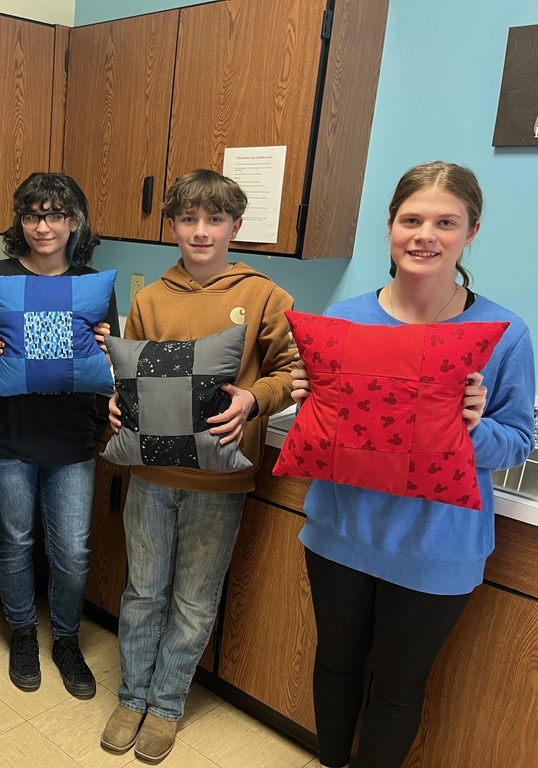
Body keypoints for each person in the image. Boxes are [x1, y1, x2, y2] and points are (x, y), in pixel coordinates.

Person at [291, 161, 535, 768]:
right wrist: (309, 405)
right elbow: (328, 436)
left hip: (436, 549)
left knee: (398, 691)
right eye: (412, 219)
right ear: (390, 227)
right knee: (336, 662)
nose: (426, 234)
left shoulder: (502, 333)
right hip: (339, 534)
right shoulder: (344, 319)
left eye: (445, 222)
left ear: (471, 233)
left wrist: (464, 431)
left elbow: (517, 441)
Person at [100, 169, 297, 764]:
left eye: (215, 219)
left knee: (193, 599)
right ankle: (132, 695)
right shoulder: (152, 298)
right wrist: (117, 404)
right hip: (151, 476)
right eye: (189, 219)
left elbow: (295, 370)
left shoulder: (264, 295)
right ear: (173, 226)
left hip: (220, 479)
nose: (201, 231)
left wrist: (252, 399)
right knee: (142, 592)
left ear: (237, 226)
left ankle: (165, 706)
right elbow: (130, 375)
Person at [0, 173, 118, 700]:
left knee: (73, 551)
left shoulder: (95, 283)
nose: (44, 226)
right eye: (33, 214)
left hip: (72, 439)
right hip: (5, 437)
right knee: (14, 543)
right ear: (21, 221)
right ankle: (23, 635)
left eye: (56, 214)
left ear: (75, 221)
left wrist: (107, 348)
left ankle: (66, 639)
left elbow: (108, 367)